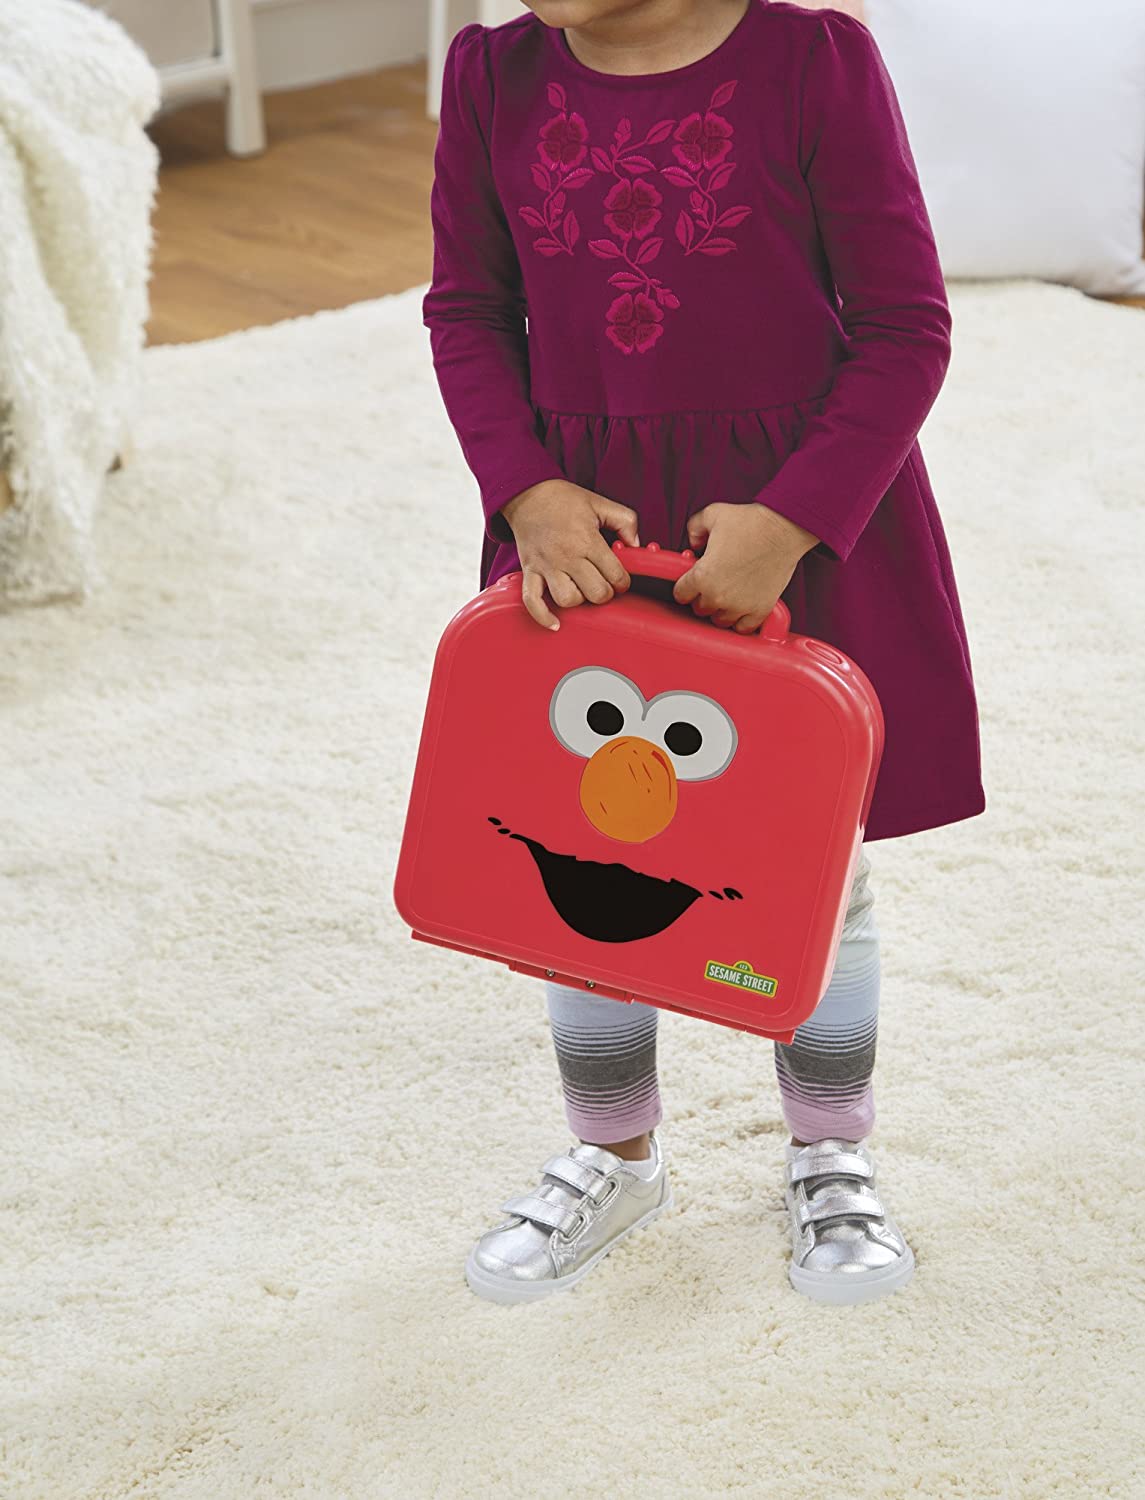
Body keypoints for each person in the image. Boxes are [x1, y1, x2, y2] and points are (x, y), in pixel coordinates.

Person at [422, 0, 984, 1306]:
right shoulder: (490, 74)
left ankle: (829, 1153)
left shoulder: (814, 62)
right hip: (581, 543)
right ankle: (612, 1154)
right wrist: (525, 492)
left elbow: (906, 325)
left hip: (791, 533)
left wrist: (790, 525)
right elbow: (468, 310)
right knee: (572, 857)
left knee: (810, 865)